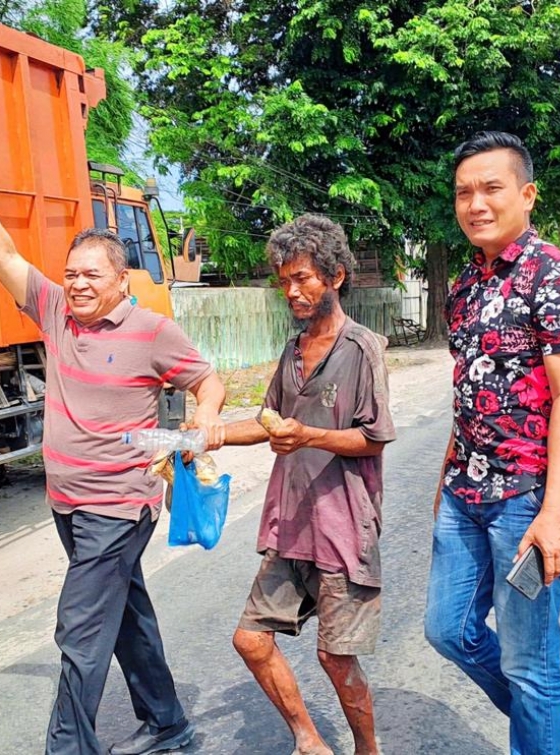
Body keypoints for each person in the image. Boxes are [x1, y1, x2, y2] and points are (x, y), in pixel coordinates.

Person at [0, 116, 226, 755]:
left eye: (93, 273)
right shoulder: (57, 314)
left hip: (119, 505)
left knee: (80, 629)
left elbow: (209, 383)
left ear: (122, 280)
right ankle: (170, 725)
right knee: (124, 616)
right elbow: (3, 254)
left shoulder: (151, 331)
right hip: (68, 503)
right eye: (72, 271)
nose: (78, 282)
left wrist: (201, 427)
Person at [423, 131, 560, 755]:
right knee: (447, 630)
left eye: (492, 188)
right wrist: (444, 482)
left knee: (530, 662)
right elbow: (466, 390)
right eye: (464, 192)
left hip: (529, 500)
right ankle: (551, 714)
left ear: (526, 194)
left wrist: (554, 514)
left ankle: (539, 724)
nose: (476, 203)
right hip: (466, 496)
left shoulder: (556, 276)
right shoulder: (463, 287)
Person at [213, 214, 395, 755]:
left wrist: (310, 435)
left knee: (335, 657)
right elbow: (270, 419)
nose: (292, 291)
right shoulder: (292, 352)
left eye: (304, 278)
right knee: (250, 638)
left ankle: (368, 749)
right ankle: (309, 740)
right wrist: (209, 436)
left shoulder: (362, 349)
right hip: (291, 525)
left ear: (336, 276)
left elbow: (375, 439)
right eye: (284, 280)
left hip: (342, 527)